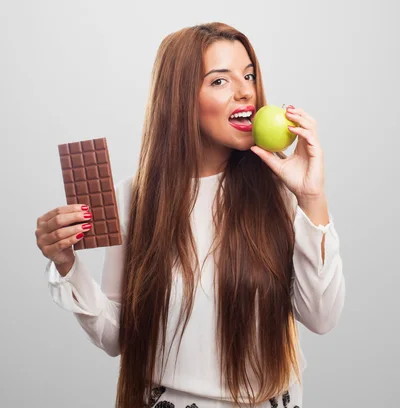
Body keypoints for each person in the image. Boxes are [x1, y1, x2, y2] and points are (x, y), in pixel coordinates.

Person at [35, 22, 345, 408]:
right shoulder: (137, 198)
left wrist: (311, 197)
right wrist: (65, 265)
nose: (246, 90)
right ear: (180, 98)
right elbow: (116, 336)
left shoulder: (279, 190)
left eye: (248, 75)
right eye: (220, 81)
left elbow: (321, 317)